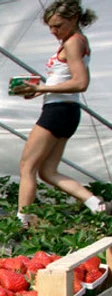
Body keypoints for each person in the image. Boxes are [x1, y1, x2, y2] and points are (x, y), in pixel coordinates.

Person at [12, 0, 109, 227]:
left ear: (73, 19)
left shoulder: (74, 43)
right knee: (47, 171)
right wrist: (37, 91)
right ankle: (96, 204)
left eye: (57, 26)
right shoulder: (73, 41)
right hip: (65, 110)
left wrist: (41, 88)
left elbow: (80, 82)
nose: (53, 31)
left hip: (58, 111)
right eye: (51, 27)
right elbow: (66, 79)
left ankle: (22, 221)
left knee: (27, 166)